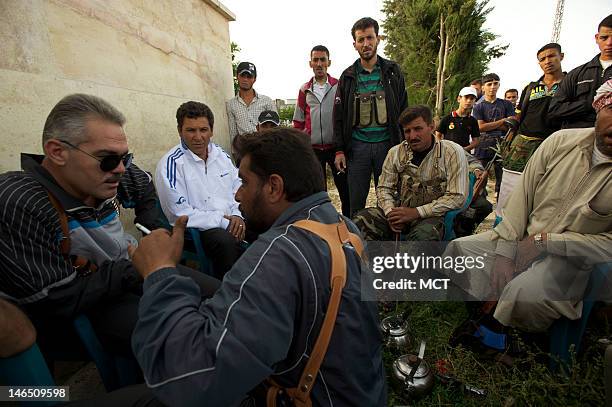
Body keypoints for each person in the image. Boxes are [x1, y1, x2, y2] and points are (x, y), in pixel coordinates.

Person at [130, 128, 386, 406]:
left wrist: (160, 273)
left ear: (274, 187)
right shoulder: (344, 227)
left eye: (244, 182)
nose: (238, 196)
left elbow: (187, 380)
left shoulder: (280, 253)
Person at [0, 94, 219, 360]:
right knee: (188, 342)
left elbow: (143, 184)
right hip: (88, 308)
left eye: (124, 159)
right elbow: (53, 299)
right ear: (57, 152)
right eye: (106, 159)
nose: (119, 170)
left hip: (130, 273)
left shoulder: (111, 172)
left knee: (223, 297)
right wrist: (137, 265)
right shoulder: (19, 200)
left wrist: (151, 231)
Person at [444, 80, 612, 333]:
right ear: (599, 109)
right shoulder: (560, 142)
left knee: (522, 292)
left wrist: (546, 242)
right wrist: (506, 250)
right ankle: (485, 313)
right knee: (459, 251)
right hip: (519, 235)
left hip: (568, 258)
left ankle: (512, 336)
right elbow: (522, 198)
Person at [156, 101, 245, 278]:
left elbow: (238, 187)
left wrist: (237, 215)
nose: (198, 137)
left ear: (211, 130)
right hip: (198, 229)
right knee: (225, 242)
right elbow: (179, 213)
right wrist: (223, 222)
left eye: (203, 130)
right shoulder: (171, 164)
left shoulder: (221, 155)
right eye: (190, 130)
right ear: (180, 130)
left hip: (231, 219)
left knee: (266, 224)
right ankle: (227, 293)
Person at [353, 105, 469, 241]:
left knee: (423, 238)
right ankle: (371, 261)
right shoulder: (395, 153)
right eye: (407, 131)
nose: (412, 136)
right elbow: (384, 188)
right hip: (400, 213)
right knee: (360, 221)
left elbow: (457, 197)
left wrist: (416, 213)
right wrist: (391, 214)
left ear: (431, 127)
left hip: (431, 216)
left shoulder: (452, 152)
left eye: (418, 129)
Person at [333, 17, 408, 216]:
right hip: (357, 149)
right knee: (355, 202)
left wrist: (405, 145)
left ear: (378, 39)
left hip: (389, 147)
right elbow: (338, 116)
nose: (366, 44)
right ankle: (355, 243)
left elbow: (403, 109)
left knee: (391, 200)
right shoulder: (347, 76)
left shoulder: (393, 71)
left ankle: (389, 243)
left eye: (369, 38)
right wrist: (339, 150)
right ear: (354, 44)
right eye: (361, 40)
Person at [497, 43, 565, 217]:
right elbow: (519, 115)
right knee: (510, 186)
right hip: (523, 144)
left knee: (548, 187)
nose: (547, 61)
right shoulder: (531, 87)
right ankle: (503, 224)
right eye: (542, 59)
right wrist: (510, 137)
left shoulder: (569, 83)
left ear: (561, 56)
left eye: (551, 56)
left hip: (555, 144)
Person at [294, 45, 350, 216]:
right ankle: (324, 225)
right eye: (315, 60)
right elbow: (298, 121)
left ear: (329, 62)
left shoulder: (338, 86)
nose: (319, 64)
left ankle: (348, 222)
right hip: (314, 150)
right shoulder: (305, 89)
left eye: (322, 60)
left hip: (336, 149)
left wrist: (343, 147)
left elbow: (345, 117)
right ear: (310, 63)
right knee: (318, 194)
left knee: (344, 190)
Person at [548, 14, 612, 129]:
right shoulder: (577, 74)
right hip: (576, 136)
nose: (609, 43)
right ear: (597, 38)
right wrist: (590, 104)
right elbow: (555, 110)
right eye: (604, 37)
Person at [472, 73, 516, 195]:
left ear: (499, 85)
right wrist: (502, 121)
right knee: (480, 178)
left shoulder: (506, 104)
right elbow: (480, 127)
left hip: (502, 145)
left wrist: (489, 125)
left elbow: (511, 125)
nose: (492, 87)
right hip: (482, 146)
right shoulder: (478, 107)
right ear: (483, 87)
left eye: (495, 83)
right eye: (489, 84)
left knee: (502, 179)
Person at [226, 61, 277, 142]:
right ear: (237, 76)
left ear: (254, 79)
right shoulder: (231, 104)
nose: (245, 79)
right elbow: (233, 133)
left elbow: (276, 128)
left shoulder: (267, 101)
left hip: (265, 147)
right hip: (244, 149)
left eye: (249, 76)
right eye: (242, 75)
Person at [436, 86, 481, 152]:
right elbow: (438, 135)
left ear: (474, 101)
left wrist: (465, 149)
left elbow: (476, 140)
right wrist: (444, 148)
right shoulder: (447, 118)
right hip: (448, 154)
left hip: (465, 155)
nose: (468, 101)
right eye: (466, 97)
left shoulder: (473, 120)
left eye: (472, 99)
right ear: (459, 99)